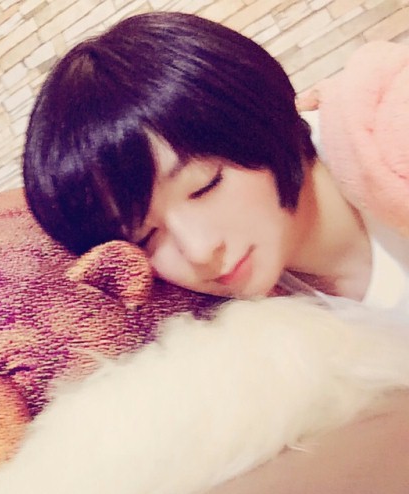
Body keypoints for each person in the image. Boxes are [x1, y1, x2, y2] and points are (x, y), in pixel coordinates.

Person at [22, 11, 409, 321]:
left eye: (204, 185)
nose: (200, 251)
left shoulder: (392, 141)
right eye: (146, 237)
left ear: (259, 116)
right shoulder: (257, 320)